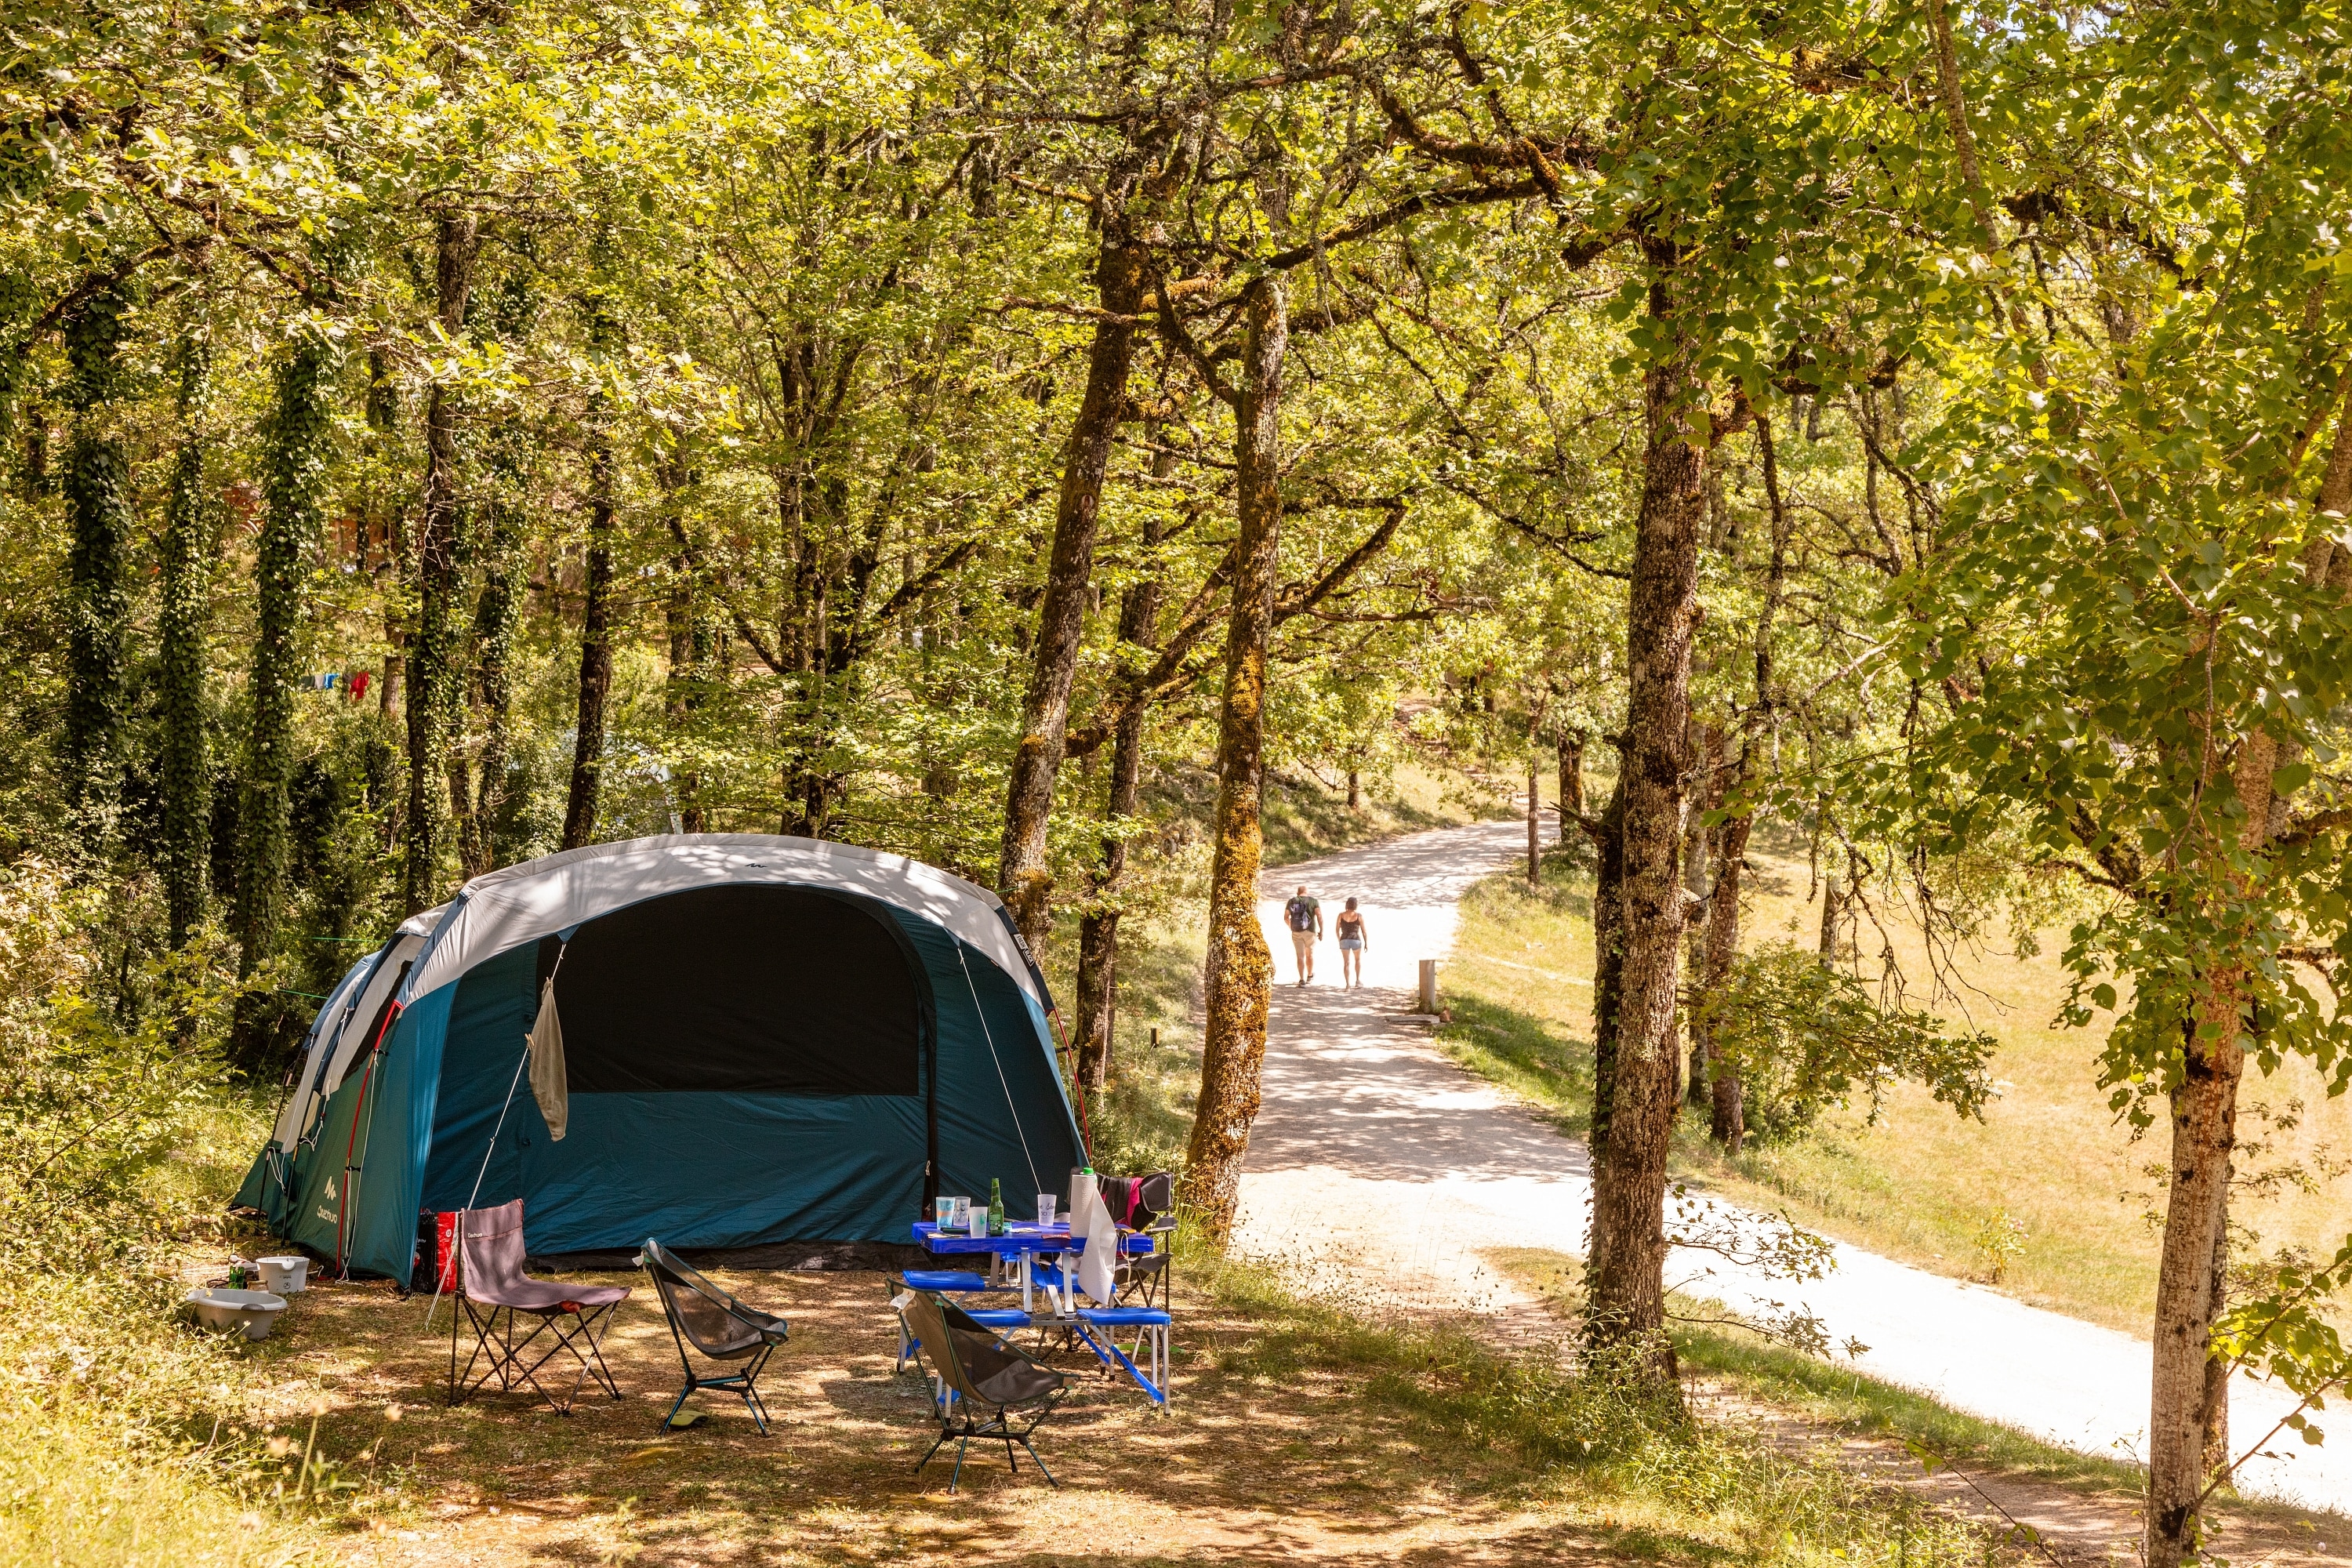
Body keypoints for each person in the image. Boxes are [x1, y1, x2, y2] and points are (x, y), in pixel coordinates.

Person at [1282, 885, 1322, 985]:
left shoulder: (1292, 901)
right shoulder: (1313, 901)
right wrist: (1322, 931)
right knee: (1310, 955)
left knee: (1300, 956)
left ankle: (1301, 980)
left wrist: (1292, 927)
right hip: (1310, 932)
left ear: (1297, 893)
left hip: (1296, 933)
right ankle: (1310, 975)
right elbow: (1319, 916)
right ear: (1308, 893)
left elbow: (1286, 917)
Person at [1334, 897, 1367, 988]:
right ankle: (1357, 981)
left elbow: (1337, 930)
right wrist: (1366, 943)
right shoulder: (1359, 916)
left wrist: (1339, 939)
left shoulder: (1341, 915)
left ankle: (1348, 985)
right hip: (1356, 939)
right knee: (1357, 960)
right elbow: (1364, 931)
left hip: (1344, 939)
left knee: (1346, 963)